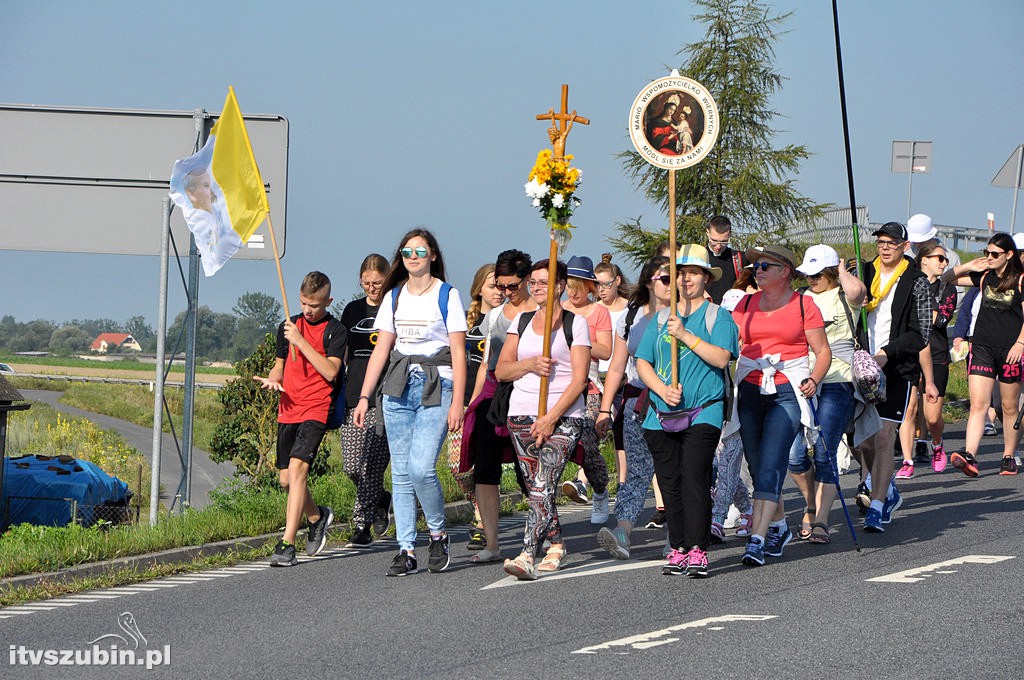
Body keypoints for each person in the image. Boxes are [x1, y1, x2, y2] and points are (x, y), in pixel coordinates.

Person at [353, 229, 467, 576]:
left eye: (420, 250)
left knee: (421, 468)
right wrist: (363, 397)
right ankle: (406, 549)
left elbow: (459, 352)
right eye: (407, 251)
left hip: (437, 384)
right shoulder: (394, 296)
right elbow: (381, 350)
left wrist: (457, 403)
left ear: (433, 254)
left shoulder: (447, 295)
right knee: (401, 474)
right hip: (397, 386)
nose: (413, 256)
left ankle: (438, 534)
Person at [636, 245, 739, 577]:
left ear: (706, 277)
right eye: (680, 274)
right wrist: (661, 388)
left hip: (704, 410)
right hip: (660, 413)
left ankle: (698, 547)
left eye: (693, 273)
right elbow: (642, 361)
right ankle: (678, 546)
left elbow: (722, 358)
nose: (685, 279)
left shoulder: (717, 316)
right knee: (670, 483)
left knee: (694, 477)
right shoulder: (662, 317)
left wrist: (685, 335)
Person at [732, 245, 831, 566]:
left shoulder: (804, 304)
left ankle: (757, 539)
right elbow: (731, 343)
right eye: (756, 266)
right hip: (749, 388)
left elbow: (823, 351)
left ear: (785, 271)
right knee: (756, 461)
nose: (757, 271)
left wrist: (815, 378)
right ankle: (777, 525)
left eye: (765, 266)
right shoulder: (745, 303)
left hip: (788, 389)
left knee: (773, 460)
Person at [497, 259, 591, 581]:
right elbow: (502, 369)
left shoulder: (574, 324)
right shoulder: (521, 322)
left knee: (543, 482)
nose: (537, 287)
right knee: (536, 487)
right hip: (521, 412)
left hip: (564, 415)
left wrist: (551, 418)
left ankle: (526, 554)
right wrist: (531, 365)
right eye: (534, 282)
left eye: (544, 282)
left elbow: (579, 380)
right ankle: (557, 545)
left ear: (560, 286)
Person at [256, 271, 345, 567]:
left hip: (317, 408)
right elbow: (279, 366)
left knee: (297, 471)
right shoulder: (288, 326)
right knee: (285, 480)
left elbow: (331, 372)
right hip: (289, 408)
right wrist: (272, 378)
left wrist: (301, 341)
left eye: (316, 305)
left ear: (328, 301)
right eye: (305, 303)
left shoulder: (336, 330)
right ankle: (317, 516)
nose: (309, 310)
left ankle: (286, 544)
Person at [853, 222, 934, 532]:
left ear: (905, 245)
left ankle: (877, 505)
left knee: (885, 437)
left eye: (892, 242)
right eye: (881, 242)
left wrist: (887, 351)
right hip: (862, 365)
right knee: (865, 442)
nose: (885, 247)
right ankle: (885, 487)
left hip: (896, 367)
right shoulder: (864, 273)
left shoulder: (917, 281)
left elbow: (920, 334)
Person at [463, 249, 539, 563]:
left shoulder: (543, 312)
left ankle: (545, 533)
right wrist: (470, 404)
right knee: (485, 469)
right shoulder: (495, 316)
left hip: (530, 393)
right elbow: (485, 365)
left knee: (530, 470)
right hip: (494, 394)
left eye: (512, 286)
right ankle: (492, 543)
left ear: (527, 280)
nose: (506, 293)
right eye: (501, 286)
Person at [788, 245, 865, 544]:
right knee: (794, 454)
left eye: (818, 273)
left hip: (838, 378)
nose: (811, 279)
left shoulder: (846, 294)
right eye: (807, 273)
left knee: (824, 451)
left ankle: (820, 518)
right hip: (801, 376)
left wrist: (843, 270)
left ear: (831, 272)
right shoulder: (801, 298)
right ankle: (811, 504)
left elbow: (858, 292)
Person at [594, 255, 669, 558]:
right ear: (649, 281)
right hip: (638, 400)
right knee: (637, 470)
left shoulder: (684, 315)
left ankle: (680, 535)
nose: (669, 284)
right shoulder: (632, 315)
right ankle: (622, 532)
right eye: (663, 278)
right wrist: (604, 408)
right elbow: (616, 367)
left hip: (674, 402)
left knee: (673, 470)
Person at [942, 232, 1024, 476]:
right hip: (982, 348)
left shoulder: (1020, 281)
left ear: (1009, 255)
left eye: (995, 254)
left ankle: (1008, 456)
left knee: (1008, 407)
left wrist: (1020, 344)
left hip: (1010, 351)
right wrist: (967, 265)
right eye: (987, 252)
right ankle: (970, 455)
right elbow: (947, 279)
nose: (989, 257)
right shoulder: (984, 276)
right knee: (978, 404)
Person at [443, 263, 504, 545]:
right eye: (493, 286)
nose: (499, 292)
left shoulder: (508, 320)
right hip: (462, 399)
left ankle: (482, 522)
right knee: (457, 466)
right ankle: (483, 504)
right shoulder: (465, 323)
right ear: (479, 289)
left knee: (483, 464)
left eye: (503, 287)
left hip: (489, 403)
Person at [339, 254, 394, 547]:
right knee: (351, 466)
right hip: (353, 395)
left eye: (378, 283)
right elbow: (344, 352)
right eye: (367, 283)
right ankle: (382, 497)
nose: (372, 288)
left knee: (370, 466)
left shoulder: (395, 308)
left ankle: (361, 525)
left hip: (383, 396)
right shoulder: (352, 310)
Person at [561, 255, 613, 524]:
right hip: (561, 385)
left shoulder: (598, 311)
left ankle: (599, 490)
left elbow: (607, 350)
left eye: (578, 286)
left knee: (588, 443)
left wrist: (581, 342)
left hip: (590, 386)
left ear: (589, 286)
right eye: (569, 286)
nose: (573, 292)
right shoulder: (559, 309)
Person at [901, 242, 957, 474]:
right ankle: (907, 461)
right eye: (940, 259)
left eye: (945, 260)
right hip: (910, 353)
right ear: (924, 260)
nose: (944, 263)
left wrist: (921, 306)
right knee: (908, 410)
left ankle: (936, 443)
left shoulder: (947, 290)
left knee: (932, 418)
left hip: (936, 354)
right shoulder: (908, 285)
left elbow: (941, 321)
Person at [595, 253, 631, 488]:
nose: (601, 290)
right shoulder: (594, 309)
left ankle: (623, 481)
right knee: (594, 429)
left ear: (617, 281)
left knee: (621, 432)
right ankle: (586, 479)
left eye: (606, 284)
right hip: (596, 375)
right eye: (597, 285)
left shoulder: (629, 308)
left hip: (623, 375)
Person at [704, 215, 750, 304]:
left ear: (729, 236)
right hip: (703, 312)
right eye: (714, 241)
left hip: (731, 314)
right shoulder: (697, 257)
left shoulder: (740, 259)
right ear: (707, 233)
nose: (718, 246)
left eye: (724, 242)